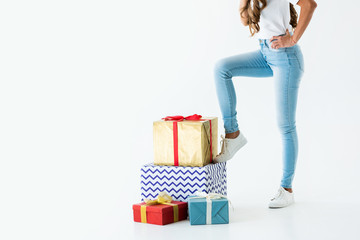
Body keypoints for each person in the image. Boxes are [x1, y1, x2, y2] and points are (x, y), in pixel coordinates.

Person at [213, 0, 317, 208]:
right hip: (265, 53)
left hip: (286, 58)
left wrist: (292, 39)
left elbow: (309, 4)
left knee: (285, 126)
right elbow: (245, 21)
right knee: (221, 69)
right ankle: (233, 135)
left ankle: (286, 189)